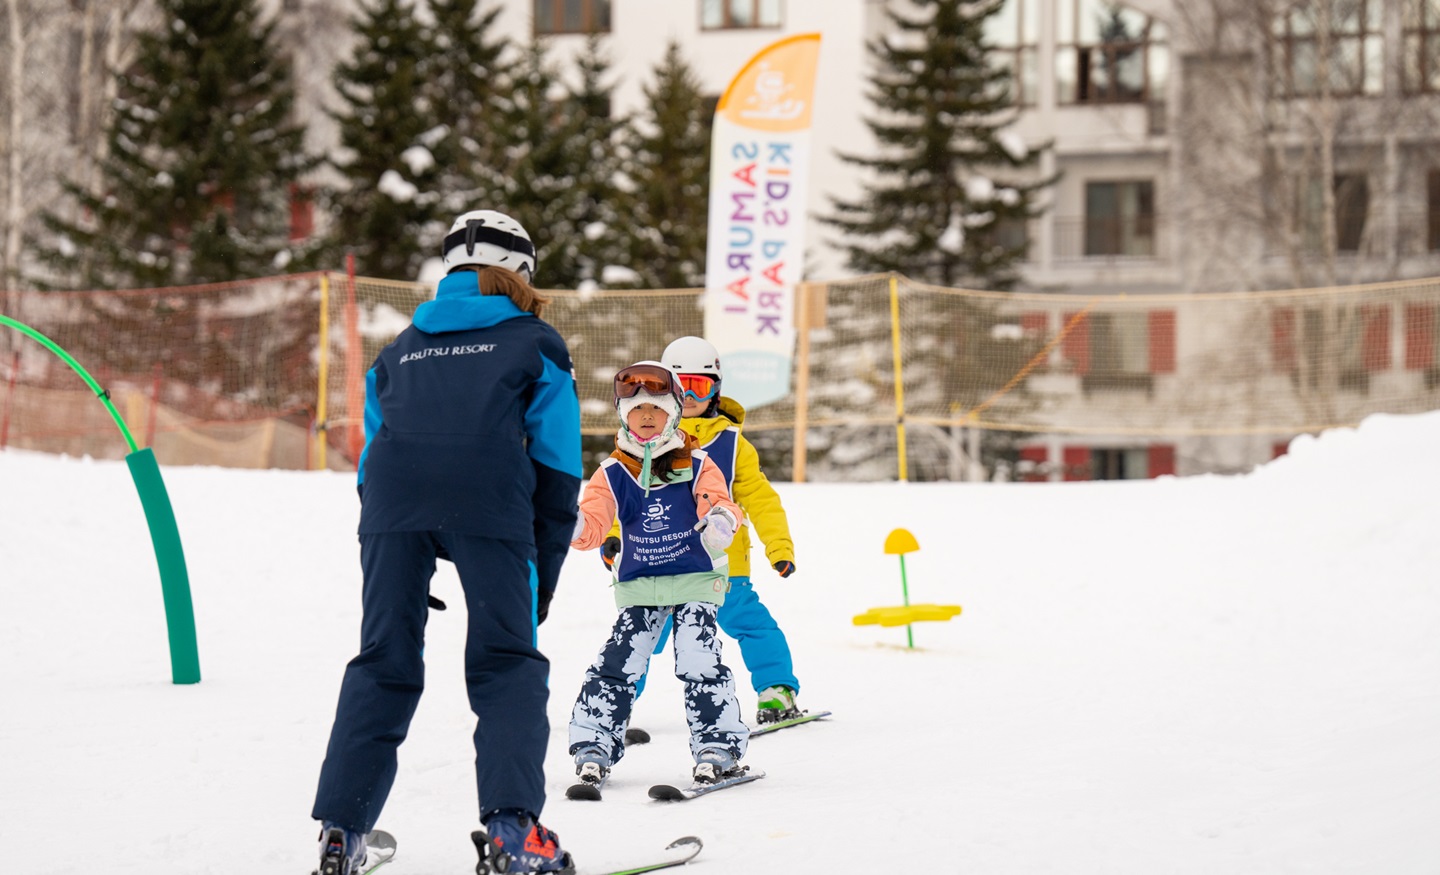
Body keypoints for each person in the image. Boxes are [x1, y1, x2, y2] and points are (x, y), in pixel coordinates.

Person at [310, 210, 581, 875]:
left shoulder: (399, 348)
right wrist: (541, 576)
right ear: (521, 271)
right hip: (491, 505)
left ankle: (341, 835)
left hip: (392, 513)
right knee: (506, 663)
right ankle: (514, 835)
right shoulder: (535, 342)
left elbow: (374, 461)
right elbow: (558, 466)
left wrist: (399, 541)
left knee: (383, 660)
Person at [568, 362, 749, 789]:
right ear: (622, 415)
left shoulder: (698, 461)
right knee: (618, 662)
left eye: (657, 409)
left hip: (695, 577)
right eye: (636, 410)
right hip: (640, 583)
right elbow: (593, 524)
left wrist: (721, 520)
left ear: (674, 414)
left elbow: (719, 501)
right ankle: (594, 744)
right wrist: (570, 524)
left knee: (698, 658)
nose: (646, 416)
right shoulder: (612, 471)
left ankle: (717, 746)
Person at [606, 336, 803, 726]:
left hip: (722, 565)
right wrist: (614, 537)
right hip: (660, 561)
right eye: (683, 387)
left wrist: (778, 547)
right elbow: (622, 497)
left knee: (748, 621)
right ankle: (618, 702)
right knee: (643, 635)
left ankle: (776, 688)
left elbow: (761, 499)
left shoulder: (732, 444)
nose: (693, 396)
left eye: (702, 385)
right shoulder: (644, 442)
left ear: (716, 389)